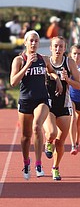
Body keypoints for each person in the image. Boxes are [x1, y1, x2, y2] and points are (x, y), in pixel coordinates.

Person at [9, 30, 62, 180]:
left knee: (37, 127)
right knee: (26, 137)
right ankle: (26, 163)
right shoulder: (19, 60)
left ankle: (38, 164)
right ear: (25, 42)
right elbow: (13, 82)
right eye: (31, 41)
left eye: (36, 41)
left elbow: (51, 71)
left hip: (42, 99)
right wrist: (27, 65)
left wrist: (56, 78)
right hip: (25, 100)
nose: (33, 43)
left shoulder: (44, 59)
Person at [43, 36, 80, 180]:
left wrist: (68, 79)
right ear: (51, 48)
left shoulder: (69, 62)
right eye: (56, 46)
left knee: (60, 142)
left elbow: (78, 85)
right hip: (48, 104)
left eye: (61, 47)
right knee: (52, 133)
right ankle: (47, 142)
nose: (58, 49)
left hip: (64, 105)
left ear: (65, 49)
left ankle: (55, 167)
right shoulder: (46, 61)